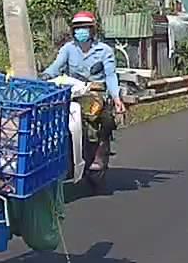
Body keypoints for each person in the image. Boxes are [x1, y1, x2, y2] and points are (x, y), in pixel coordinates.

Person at [41, 11, 125, 171]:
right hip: (73, 92)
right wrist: (43, 77)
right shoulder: (68, 49)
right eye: (78, 28)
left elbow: (110, 75)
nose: (81, 31)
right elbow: (55, 67)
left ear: (92, 30)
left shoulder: (104, 50)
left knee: (106, 119)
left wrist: (116, 98)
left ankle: (101, 149)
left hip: (96, 93)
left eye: (85, 28)